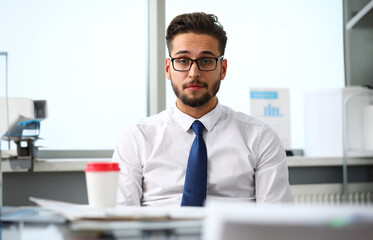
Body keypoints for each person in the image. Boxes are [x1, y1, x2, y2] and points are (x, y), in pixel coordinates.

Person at [112, 12, 293, 207]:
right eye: (183, 60)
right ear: (167, 69)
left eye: (206, 61)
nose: (194, 73)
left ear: (222, 69)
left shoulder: (260, 138)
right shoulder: (137, 138)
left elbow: (276, 220)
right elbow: (121, 217)